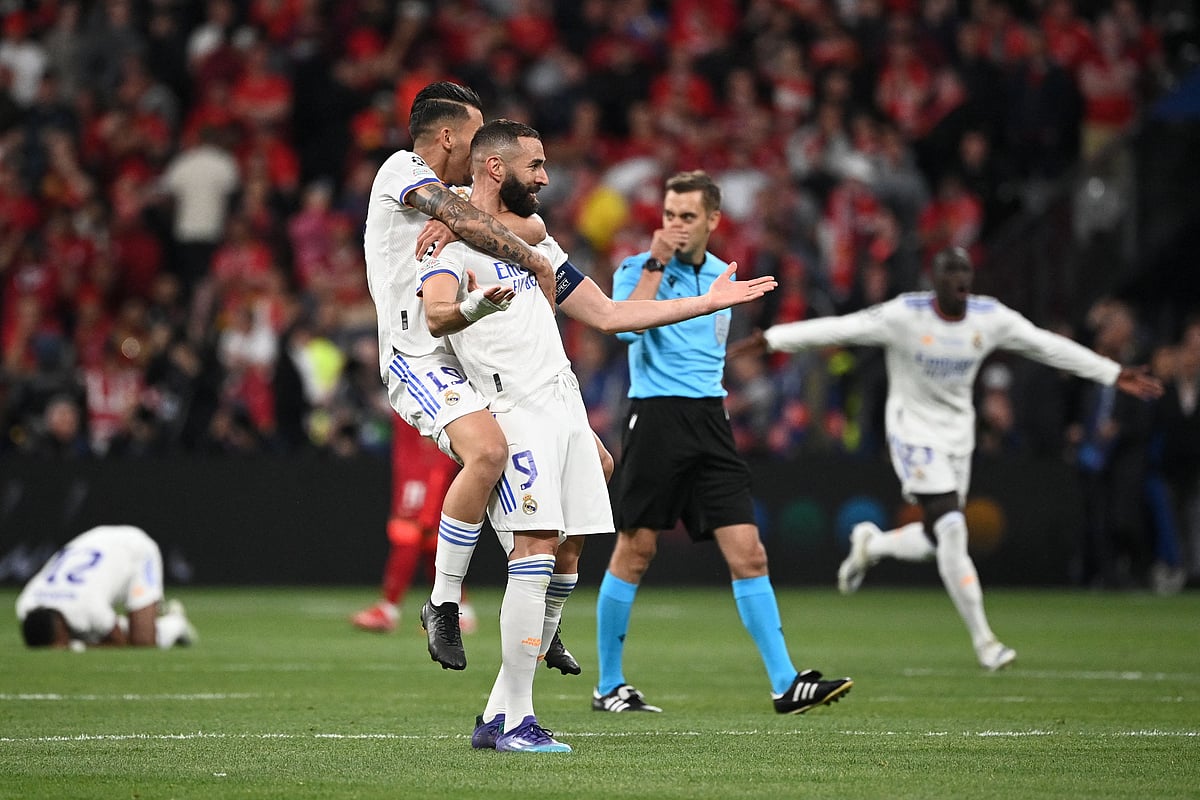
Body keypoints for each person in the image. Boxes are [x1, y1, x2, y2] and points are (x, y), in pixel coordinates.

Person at [418, 119, 777, 751]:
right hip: (514, 412)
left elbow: (610, 314)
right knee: (532, 550)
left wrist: (710, 302)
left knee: (567, 549)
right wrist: (476, 306)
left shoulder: (535, 243)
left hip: (564, 410)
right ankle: (517, 722)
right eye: (536, 166)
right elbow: (437, 312)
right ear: (496, 169)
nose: (546, 178)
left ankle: (497, 713)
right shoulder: (448, 245)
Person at [730, 246, 1164, 669]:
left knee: (940, 540)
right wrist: (772, 338)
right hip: (912, 433)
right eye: (948, 276)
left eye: (964, 277)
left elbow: (1045, 345)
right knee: (954, 530)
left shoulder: (988, 318)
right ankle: (985, 641)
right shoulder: (905, 315)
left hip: (958, 437)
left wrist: (1111, 373)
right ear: (934, 282)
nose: (958, 284)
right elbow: (842, 328)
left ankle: (874, 543)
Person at [596, 169, 853, 716]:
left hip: (711, 422)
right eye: (669, 215)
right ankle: (609, 684)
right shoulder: (638, 269)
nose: (676, 226)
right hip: (656, 418)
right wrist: (657, 261)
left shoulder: (721, 276)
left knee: (750, 551)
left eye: (688, 217)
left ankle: (785, 682)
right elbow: (625, 328)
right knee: (635, 551)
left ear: (713, 220)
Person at [363, 81, 558, 671]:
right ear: (446, 135)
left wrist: (473, 225)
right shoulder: (401, 170)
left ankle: (544, 613)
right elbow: (489, 228)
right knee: (490, 452)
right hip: (416, 356)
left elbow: (533, 225)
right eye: (475, 135)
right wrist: (514, 250)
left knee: (553, 458)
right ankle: (442, 603)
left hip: (470, 357)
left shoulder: (451, 194)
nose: (481, 150)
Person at [349, 414, 478, 635]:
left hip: (427, 458)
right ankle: (457, 611)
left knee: (410, 531)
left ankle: (389, 609)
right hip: (415, 452)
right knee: (431, 542)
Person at [15, 524, 196, 649]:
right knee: (91, 632)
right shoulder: (26, 603)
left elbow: (119, 641)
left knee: (142, 641)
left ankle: (175, 622)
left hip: (135, 549)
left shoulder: (88, 607)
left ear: (60, 630)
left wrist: (79, 648)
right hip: (94, 542)